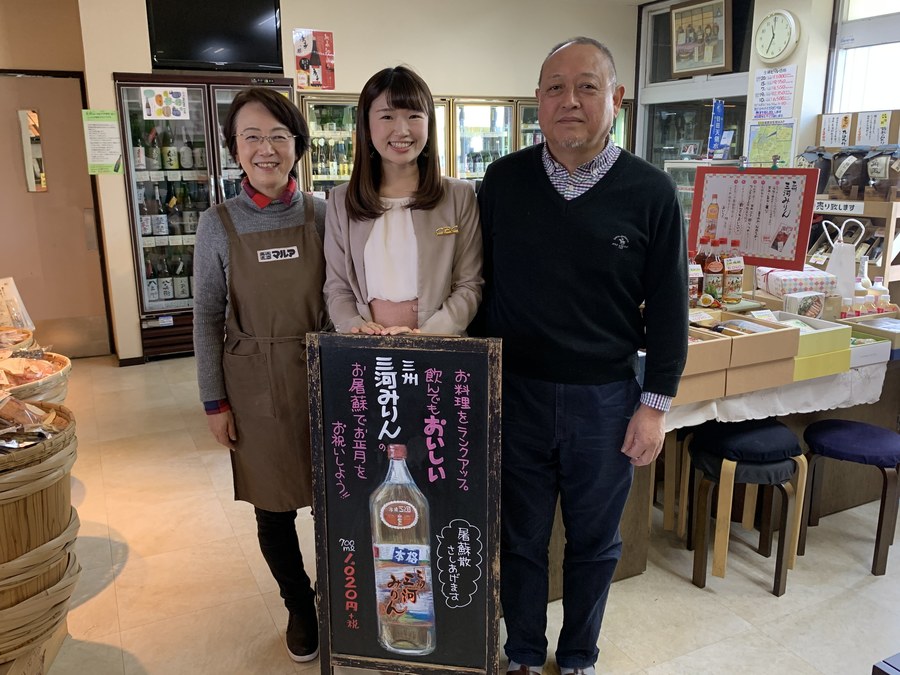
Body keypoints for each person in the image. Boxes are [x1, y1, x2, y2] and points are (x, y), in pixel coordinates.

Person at [475, 38, 688, 674]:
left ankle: (577, 657)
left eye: (587, 86)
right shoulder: (503, 182)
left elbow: (669, 308)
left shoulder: (651, 191)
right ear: (537, 100)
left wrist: (654, 406)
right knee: (520, 537)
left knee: (595, 542)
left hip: (606, 400)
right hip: (516, 393)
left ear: (615, 98)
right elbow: (479, 288)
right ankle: (522, 653)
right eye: (555, 88)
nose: (570, 100)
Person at [192, 87, 327, 664]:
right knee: (273, 507)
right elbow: (206, 315)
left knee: (337, 499)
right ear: (234, 148)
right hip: (254, 383)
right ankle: (300, 606)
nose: (265, 149)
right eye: (251, 137)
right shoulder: (217, 224)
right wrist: (214, 402)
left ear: (297, 144)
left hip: (325, 375)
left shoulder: (323, 213)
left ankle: (342, 596)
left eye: (278, 135)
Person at [324, 65, 482, 336]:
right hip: (366, 344)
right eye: (387, 116)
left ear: (429, 124)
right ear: (366, 125)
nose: (402, 130)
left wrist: (428, 335)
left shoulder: (459, 196)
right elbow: (337, 287)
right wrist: (355, 326)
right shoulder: (342, 200)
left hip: (438, 343)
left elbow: (469, 284)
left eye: (414, 116)